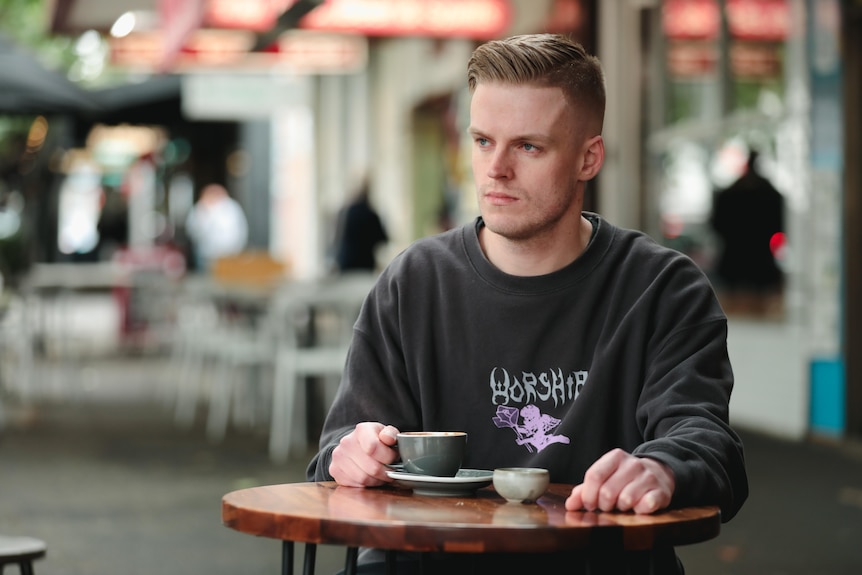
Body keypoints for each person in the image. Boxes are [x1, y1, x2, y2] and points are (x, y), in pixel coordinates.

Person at [307, 34, 748, 574]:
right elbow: (335, 453)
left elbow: (707, 442)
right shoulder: (413, 283)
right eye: (483, 141)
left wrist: (662, 468)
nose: (496, 169)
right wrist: (349, 456)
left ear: (588, 157)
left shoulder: (661, 289)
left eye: (528, 146)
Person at [710, 149, 785, 315]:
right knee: (759, 306)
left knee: (734, 307)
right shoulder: (769, 194)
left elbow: (716, 224)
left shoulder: (730, 194)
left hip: (735, 258)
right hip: (760, 260)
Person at [184, 183, 248, 271]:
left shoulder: (231, 207)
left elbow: (239, 230)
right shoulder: (200, 208)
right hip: (206, 255)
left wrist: (237, 249)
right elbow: (193, 230)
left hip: (230, 255)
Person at [332, 180, 388, 272]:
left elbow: (336, 239)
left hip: (346, 265)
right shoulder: (371, 215)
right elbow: (383, 239)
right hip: (365, 265)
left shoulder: (344, 213)